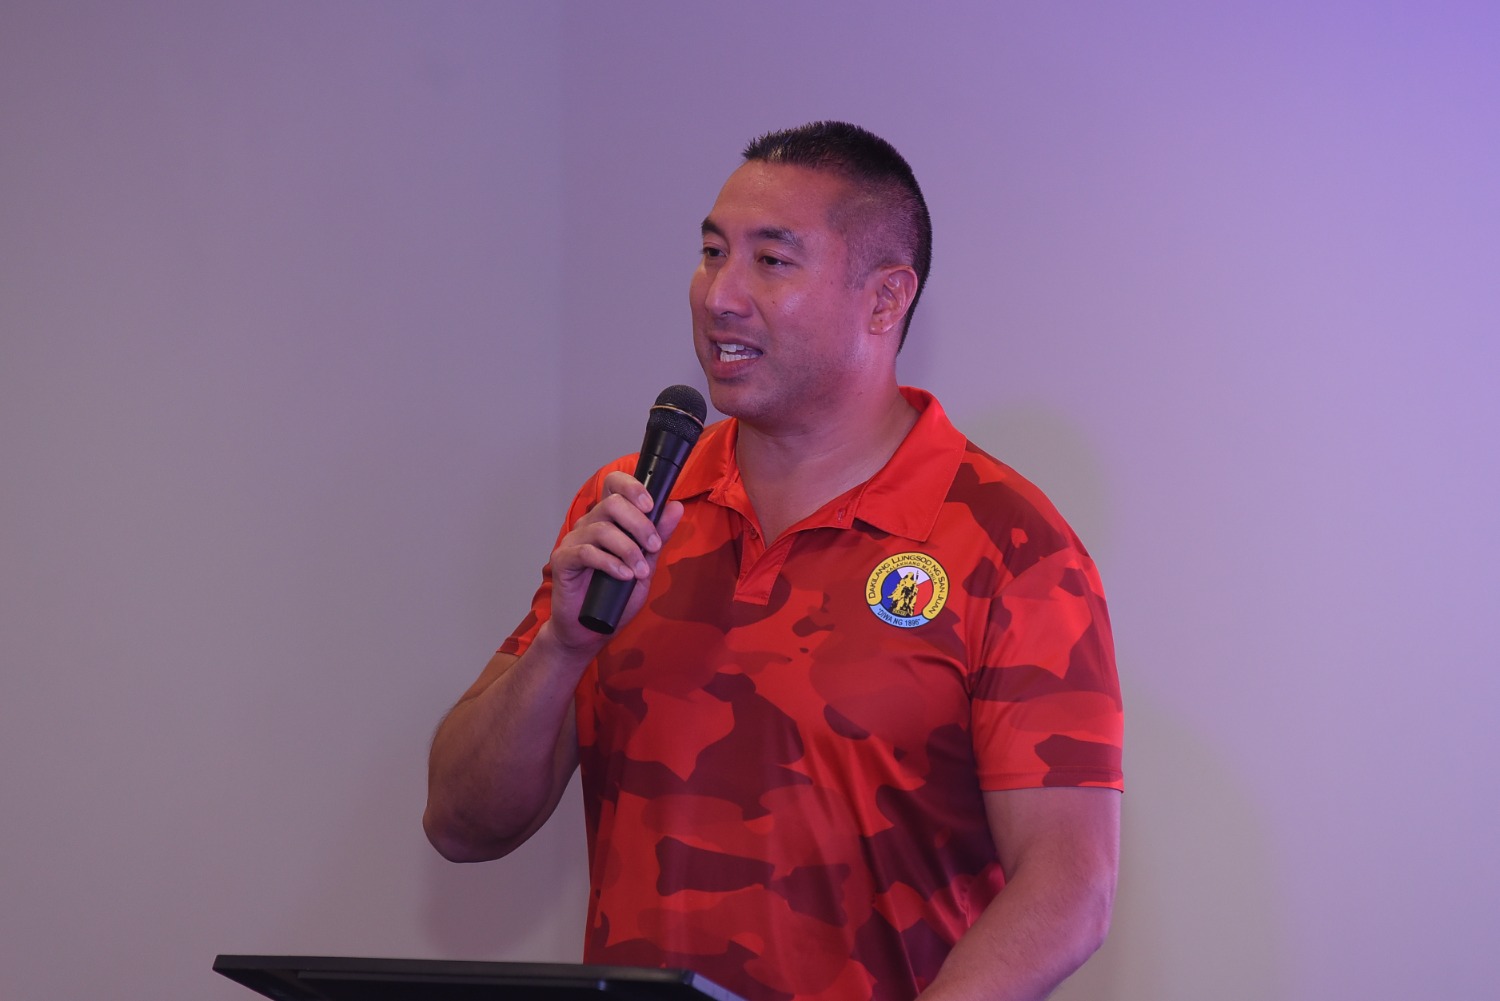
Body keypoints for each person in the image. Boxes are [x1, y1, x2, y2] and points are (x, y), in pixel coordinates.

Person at [424, 121, 1123, 1001]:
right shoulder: (636, 505)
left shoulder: (1008, 542)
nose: (720, 295)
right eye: (712, 252)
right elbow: (461, 822)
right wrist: (562, 649)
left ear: (885, 298)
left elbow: (1070, 888)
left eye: (771, 260)